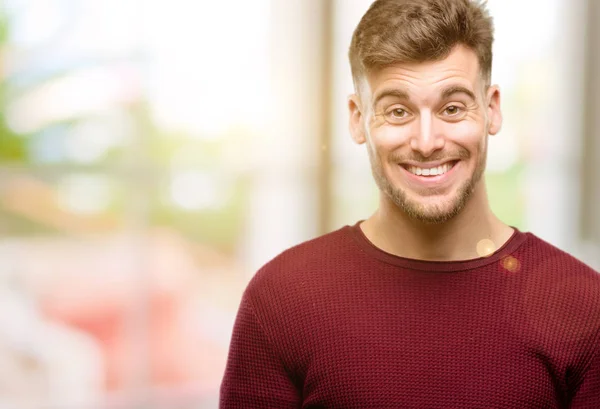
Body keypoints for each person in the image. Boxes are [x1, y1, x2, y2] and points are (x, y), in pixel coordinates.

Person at [220, 0, 600, 407]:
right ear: (357, 117)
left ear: (491, 110)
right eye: (398, 111)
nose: (426, 142)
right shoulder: (282, 299)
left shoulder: (585, 307)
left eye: (452, 108)